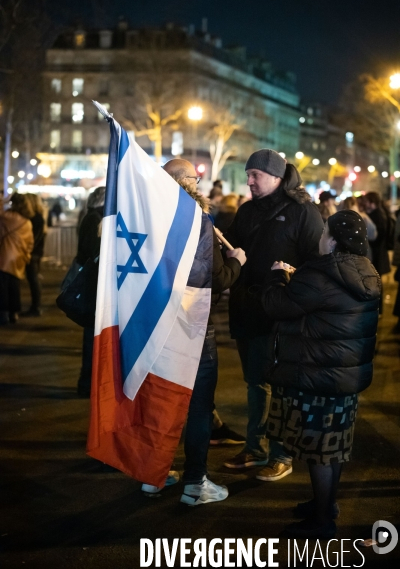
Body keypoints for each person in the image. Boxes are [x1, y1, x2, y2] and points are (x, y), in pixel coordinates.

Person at [260, 210, 380, 538]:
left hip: (318, 376)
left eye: (325, 231)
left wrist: (276, 276)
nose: (320, 236)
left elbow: (276, 306)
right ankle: (324, 505)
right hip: (345, 376)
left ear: (334, 240)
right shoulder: (365, 270)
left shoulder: (320, 274)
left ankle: (323, 521)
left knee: (319, 452)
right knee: (334, 447)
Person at [142, 158, 246, 505]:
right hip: (193, 326)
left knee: (161, 402)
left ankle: (153, 476)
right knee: (199, 406)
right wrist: (237, 262)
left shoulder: (147, 216)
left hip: (156, 325)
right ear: (183, 181)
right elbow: (214, 280)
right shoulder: (194, 221)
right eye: (195, 177)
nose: (200, 182)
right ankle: (194, 482)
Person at [224, 148, 324, 480]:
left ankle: (282, 453)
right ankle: (255, 449)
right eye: (248, 174)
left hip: (282, 314)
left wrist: (293, 280)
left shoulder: (303, 212)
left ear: (277, 178)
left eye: (256, 175)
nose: (249, 180)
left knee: (281, 387)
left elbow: (317, 263)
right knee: (255, 383)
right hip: (246, 309)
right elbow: (233, 253)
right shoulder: (246, 211)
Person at [75, 187, 105, 397]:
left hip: (93, 284)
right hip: (93, 285)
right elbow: (93, 252)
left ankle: (88, 382)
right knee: (91, 336)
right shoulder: (94, 220)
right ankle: (86, 384)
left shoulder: (91, 217)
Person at [0, 193, 34, 325]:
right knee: (14, 286)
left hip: (5, 256)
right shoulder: (27, 222)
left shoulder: (10, 217)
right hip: (19, 258)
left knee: (3, 287)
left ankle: (3, 314)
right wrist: (26, 255)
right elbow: (30, 242)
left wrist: (2, 200)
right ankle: (14, 313)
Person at [363, 192, 391, 314]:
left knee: (376, 282)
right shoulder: (379, 213)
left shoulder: (376, 215)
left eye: (366, 201)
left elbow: (378, 236)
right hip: (378, 254)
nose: (364, 204)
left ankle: (378, 309)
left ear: (371, 202)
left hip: (377, 254)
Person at [21, 193, 46, 317]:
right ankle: (35, 306)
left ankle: (36, 306)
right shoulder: (38, 217)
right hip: (36, 252)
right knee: (33, 279)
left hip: (33, 252)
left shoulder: (35, 218)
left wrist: (28, 249)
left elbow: (34, 238)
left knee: (33, 279)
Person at [341, 196, 377, 260]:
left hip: (344, 251)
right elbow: (373, 234)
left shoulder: (340, 217)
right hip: (362, 250)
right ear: (356, 204)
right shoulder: (363, 217)